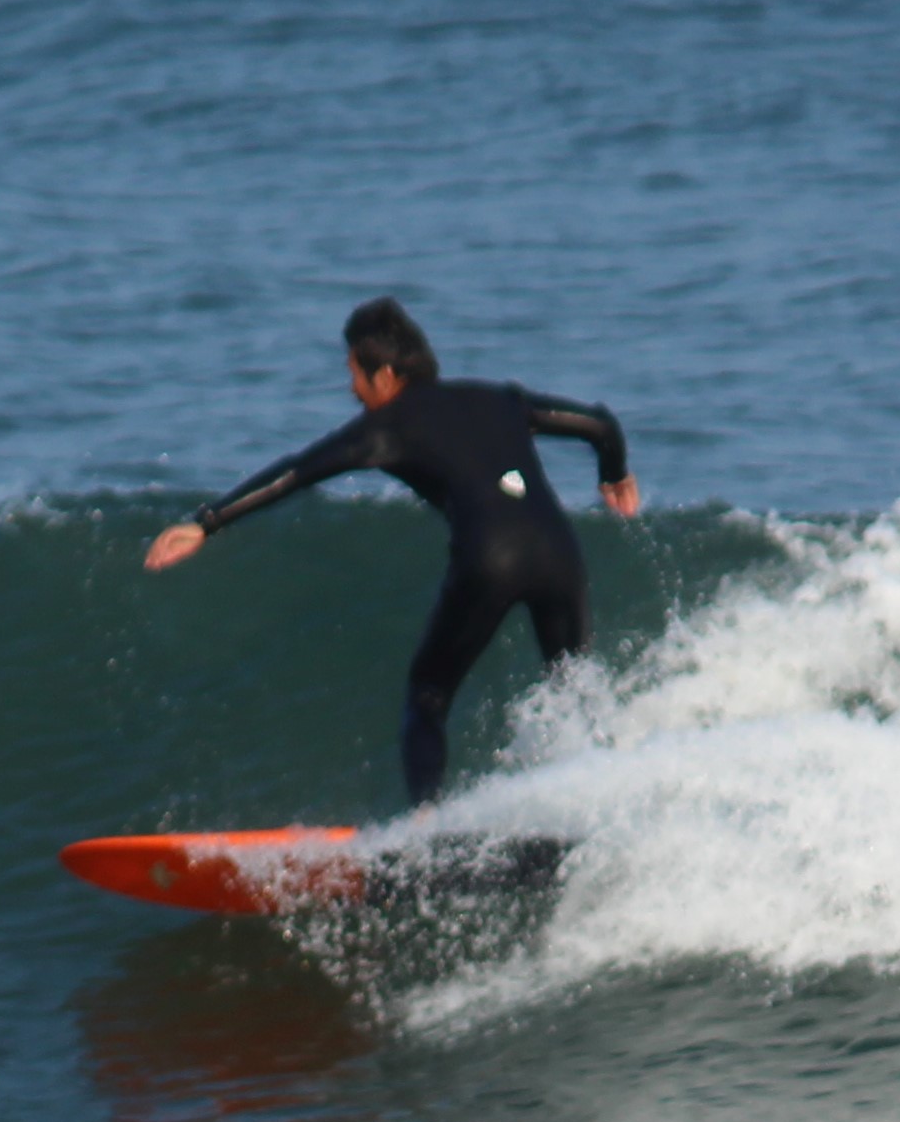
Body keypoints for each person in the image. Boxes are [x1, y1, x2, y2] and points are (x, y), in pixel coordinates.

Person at [147, 297, 637, 805]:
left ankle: (427, 828)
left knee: (427, 695)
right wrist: (614, 474)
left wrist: (206, 524)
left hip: (492, 557)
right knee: (573, 688)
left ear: (383, 374)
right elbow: (599, 424)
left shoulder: (385, 428)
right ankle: (603, 802)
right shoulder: (499, 398)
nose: (352, 390)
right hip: (560, 551)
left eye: (354, 374)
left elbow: (296, 472)